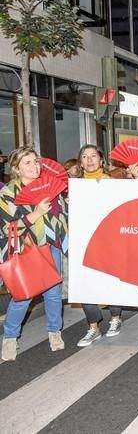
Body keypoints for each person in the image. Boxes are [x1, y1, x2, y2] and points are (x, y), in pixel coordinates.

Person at [0, 147, 68, 361]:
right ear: (16, 169)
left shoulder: (48, 185)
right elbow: (6, 228)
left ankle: (54, 332)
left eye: (36, 161)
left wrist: (66, 206)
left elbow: (62, 215)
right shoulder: (8, 193)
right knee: (23, 295)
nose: (34, 166)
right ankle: (10, 337)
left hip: (50, 245)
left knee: (53, 294)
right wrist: (36, 213)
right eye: (27, 163)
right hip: (25, 249)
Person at [73, 145, 129, 347]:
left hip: (110, 240)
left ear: (101, 160)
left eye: (93, 156)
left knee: (112, 280)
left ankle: (115, 318)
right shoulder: (74, 185)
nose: (89, 160)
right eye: (85, 157)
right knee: (85, 283)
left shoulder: (112, 182)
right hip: (85, 241)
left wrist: (113, 185)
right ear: (80, 162)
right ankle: (93, 327)